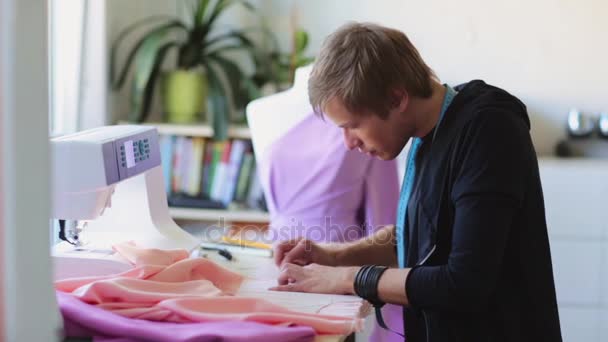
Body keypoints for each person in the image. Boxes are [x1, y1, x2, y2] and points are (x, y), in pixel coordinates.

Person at [269, 22, 562, 342]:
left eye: (352, 126)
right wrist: (332, 256)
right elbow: (420, 237)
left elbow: (464, 283)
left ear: (396, 98)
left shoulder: (488, 129)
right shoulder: (426, 133)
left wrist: (344, 278)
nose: (348, 143)